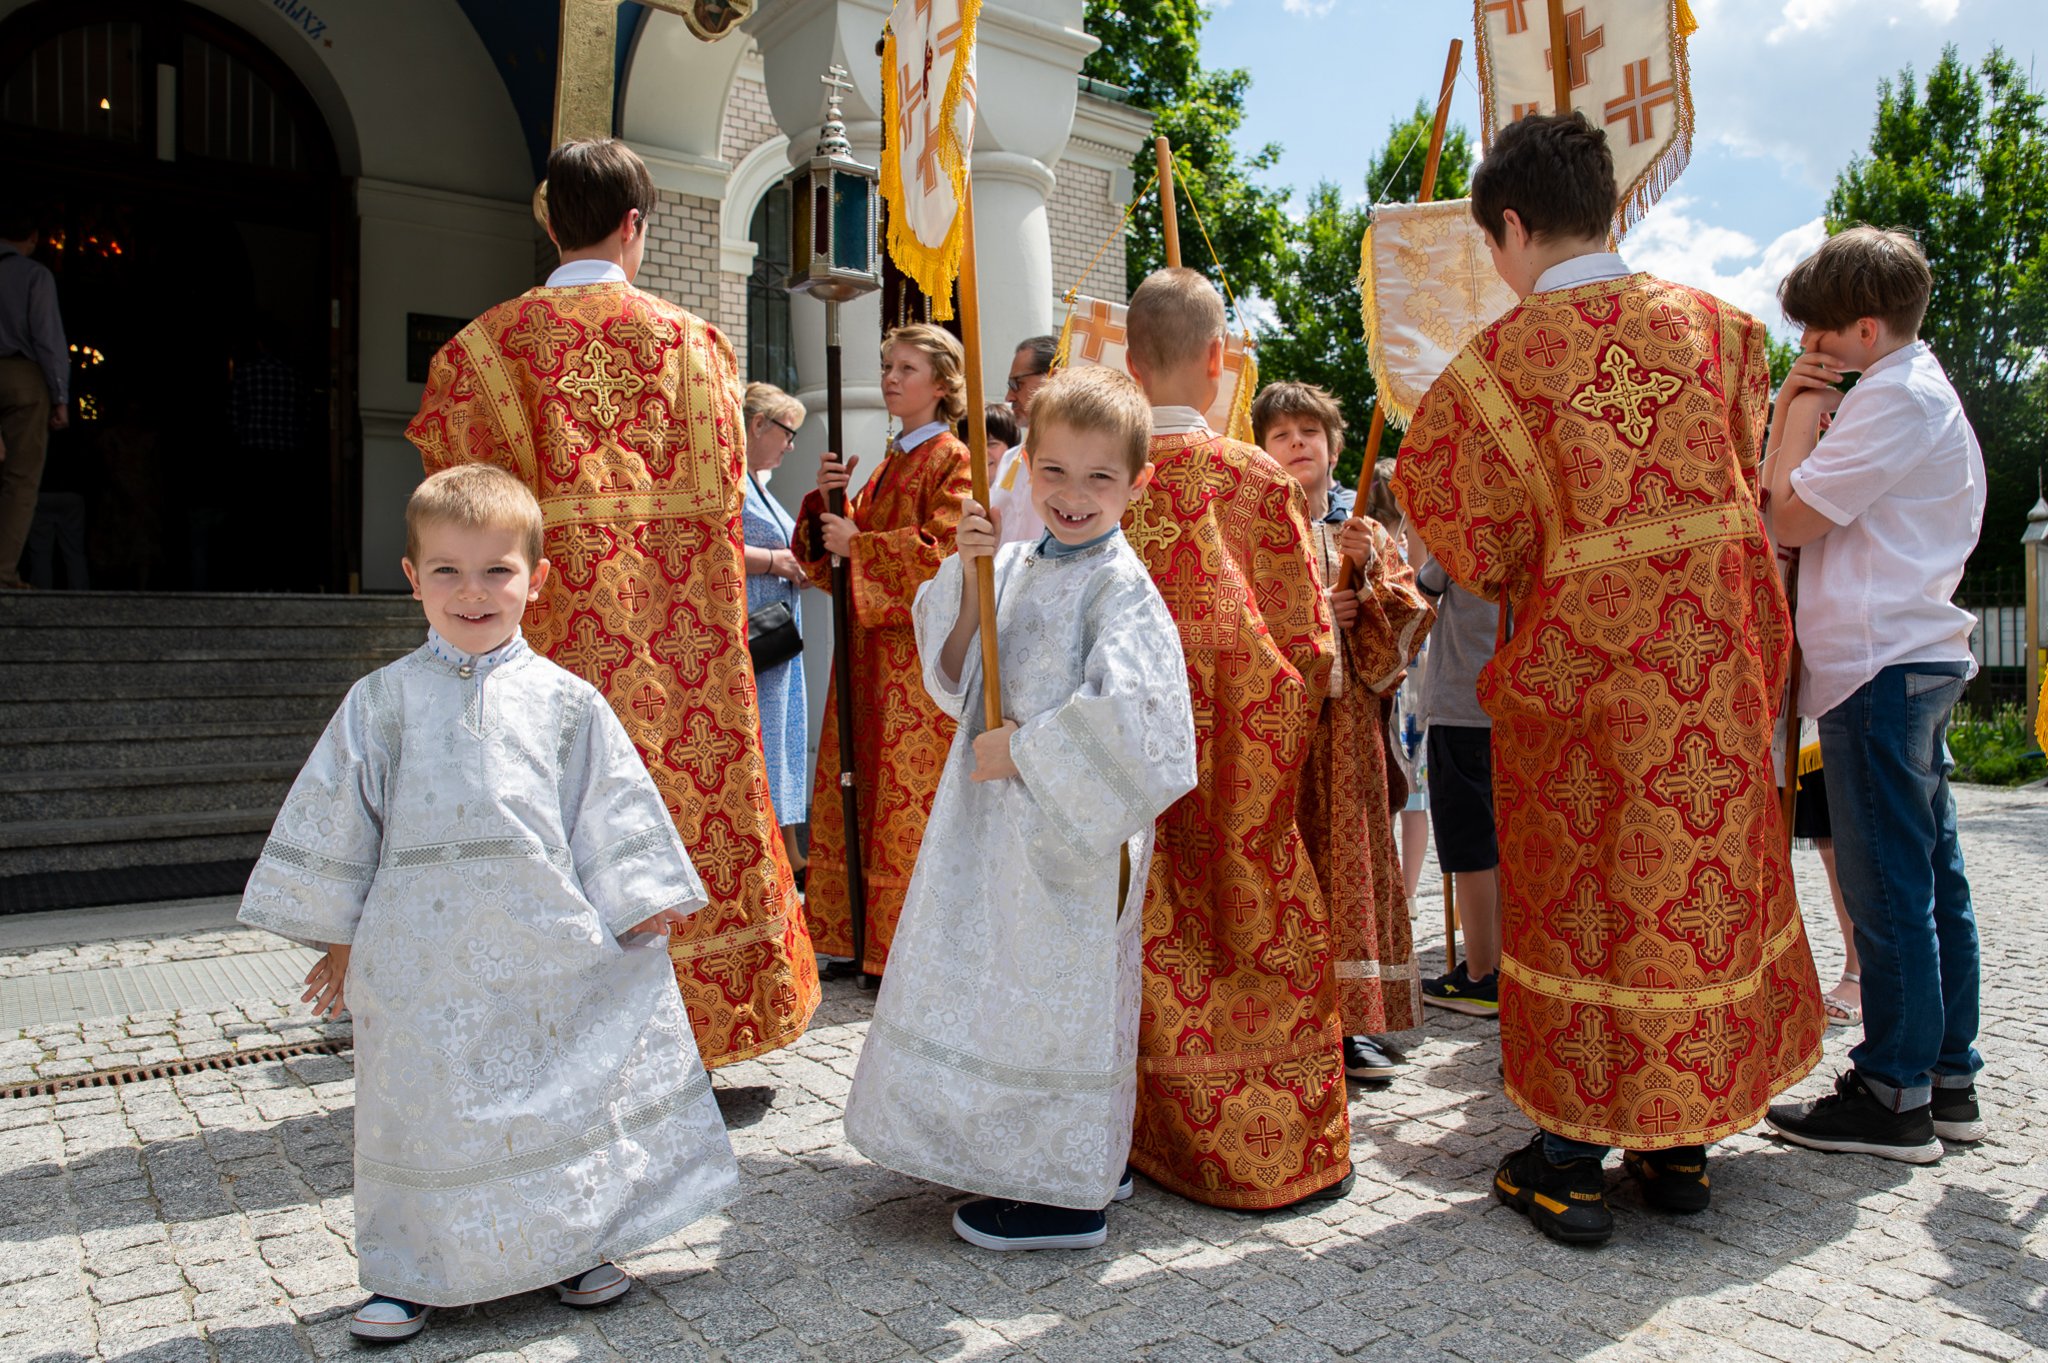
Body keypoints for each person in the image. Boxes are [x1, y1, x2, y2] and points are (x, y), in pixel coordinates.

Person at [1393, 112, 1824, 1244]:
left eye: (1492, 246)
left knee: (1592, 906)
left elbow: (1462, 534)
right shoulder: (1726, 334)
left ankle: (1570, 1157)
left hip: (1581, 692)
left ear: (1514, 226)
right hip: (1716, 677)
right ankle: (1677, 1144)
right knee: (1683, 895)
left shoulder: (1495, 366)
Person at [239, 465, 739, 1341]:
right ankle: (409, 1269)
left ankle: (575, 1244)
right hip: (420, 961)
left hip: (547, 947)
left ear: (536, 579)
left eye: (497, 571)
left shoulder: (567, 703)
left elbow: (605, 804)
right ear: (411, 576)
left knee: (559, 1091)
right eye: (448, 571)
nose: (473, 593)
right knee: (421, 1107)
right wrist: (339, 936)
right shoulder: (381, 703)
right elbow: (343, 813)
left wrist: (639, 895)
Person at [408, 138, 819, 1067]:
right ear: (636, 225)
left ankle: (557, 1044)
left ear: (549, 221)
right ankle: (699, 1035)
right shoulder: (700, 350)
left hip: (547, 669)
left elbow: (457, 521)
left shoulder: (480, 353)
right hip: (686, 680)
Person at [844, 365, 1196, 1250]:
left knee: (1056, 991)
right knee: (999, 978)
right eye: (1055, 473)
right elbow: (956, 668)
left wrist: (1031, 750)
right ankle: (1042, 1149)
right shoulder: (1007, 562)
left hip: (1069, 838)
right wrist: (966, 581)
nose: (1073, 497)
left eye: (1099, 477)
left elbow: (1145, 721)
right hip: (989, 827)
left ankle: (1064, 1191)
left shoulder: (1123, 588)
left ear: (1136, 485)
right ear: (1025, 469)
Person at [1118, 268, 1345, 1211]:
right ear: (1222, 365)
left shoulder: (1106, 476)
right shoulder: (1257, 480)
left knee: (1149, 928)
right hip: (1246, 761)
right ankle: (1277, 1141)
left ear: (1128, 366)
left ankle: (1149, 1133)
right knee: (1257, 919)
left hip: (1133, 756)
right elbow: (1309, 642)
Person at [1762, 226, 1987, 1161]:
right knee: (1930, 872)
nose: (1809, 346)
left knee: (1887, 880)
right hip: (1904, 653)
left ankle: (1892, 1090)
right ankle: (1945, 1075)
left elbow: (1786, 513)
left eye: (1818, 330)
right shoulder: (1910, 390)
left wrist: (1789, 418)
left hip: (1878, 661)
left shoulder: (1893, 399)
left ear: (1864, 325)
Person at [1254, 381, 1434, 1085]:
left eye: (1310, 432)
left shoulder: (1367, 531)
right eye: (1280, 434)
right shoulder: (1259, 529)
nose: (1297, 443)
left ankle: (1354, 1023)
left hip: (1349, 738)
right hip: (1281, 735)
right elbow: (1240, 618)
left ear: (1333, 446)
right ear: (1262, 450)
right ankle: (1285, 1016)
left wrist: (1375, 594)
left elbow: (1408, 624)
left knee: (1350, 869)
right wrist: (1311, 613)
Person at [793, 323, 974, 974]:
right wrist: (827, 499)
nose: (891, 378)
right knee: (862, 790)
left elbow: (945, 555)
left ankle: (900, 948)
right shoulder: (892, 462)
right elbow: (830, 562)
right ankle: (857, 936)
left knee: (902, 798)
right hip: (868, 659)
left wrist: (858, 545)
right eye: (887, 366)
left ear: (944, 384)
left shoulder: (953, 458)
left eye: (907, 368)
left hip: (910, 667)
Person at [1413, 561, 1502, 1017]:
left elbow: (1419, 591)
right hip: (1507, 706)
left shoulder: (1464, 532)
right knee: (1499, 847)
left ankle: (1479, 976)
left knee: (1470, 850)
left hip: (1463, 704)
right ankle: (1501, 966)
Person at [740, 382, 813, 880]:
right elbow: (711, 542)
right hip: (756, 636)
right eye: (787, 432)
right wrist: (774, 562)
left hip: (777, 635)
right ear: (758, 424)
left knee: (782, 736)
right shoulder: (731, 481)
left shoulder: (754, 480)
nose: (791, 445)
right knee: (764, 736)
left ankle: (788, 852)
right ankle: (775, 854)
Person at [0, 203, 69, 591]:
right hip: (22, 375)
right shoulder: (34, 276)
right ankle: (2, 570)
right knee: (21, 478)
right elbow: (47, 339)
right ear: (34, 238)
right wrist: (61, 396)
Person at [992, 335, 1056, 546]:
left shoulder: (1075, 463)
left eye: (1017, 383)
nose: (1009, 397)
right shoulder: (1010, 458)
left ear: (1053, 377)